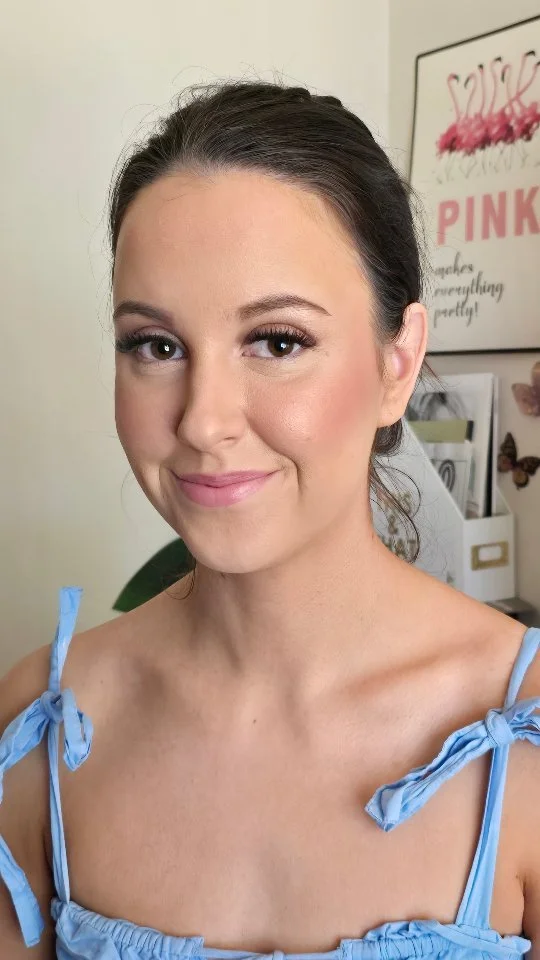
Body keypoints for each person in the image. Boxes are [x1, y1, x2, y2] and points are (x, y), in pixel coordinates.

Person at [1, 80, 539, 960]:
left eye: (277, 342)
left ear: (398, 363)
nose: (203, 422)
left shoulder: (521, 732)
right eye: (156, 346)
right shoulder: (40, 727)